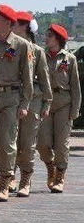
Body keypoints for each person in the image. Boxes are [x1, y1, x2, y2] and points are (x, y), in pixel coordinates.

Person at [0, 4, 33, 202]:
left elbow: (27, 79)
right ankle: (6, 171)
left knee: (8, 143)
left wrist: (25, 104)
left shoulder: (21, 45)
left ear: (8, 23)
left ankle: (3, 184)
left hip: (11, 98)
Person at [13, 11, 53, 197]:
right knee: (9, 140)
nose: (12, 27)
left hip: (34, 101)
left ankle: (25, 178)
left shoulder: (37, 52)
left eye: (16, 24)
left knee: (28, 141)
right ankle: (8, 175)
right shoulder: (10, 48)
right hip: (12, 98)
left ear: (25, 28)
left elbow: (45, 81)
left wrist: (46, 104)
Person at [38, 24, 81, 193]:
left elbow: (75, 86)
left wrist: (75, 109)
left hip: (64, 102)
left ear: (58, 38)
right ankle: (50, 166)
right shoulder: (41, 56)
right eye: (46, 35)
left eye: (49, 35)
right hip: (45, 103)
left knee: (61, 143)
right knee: (43, 143)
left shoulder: (69, 59)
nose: (46, 38)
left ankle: (60, 175)